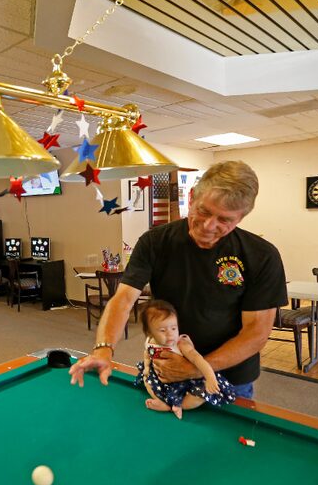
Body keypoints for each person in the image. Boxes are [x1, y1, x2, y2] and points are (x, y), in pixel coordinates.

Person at [69, 161, 287, 399]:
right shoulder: (155, 242)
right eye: (203, 211)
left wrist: (196, 368)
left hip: (228, 377)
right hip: (166, 366)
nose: (208, 225)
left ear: (241, 218)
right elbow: (123, 300)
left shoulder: (262, 255)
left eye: (224, 220)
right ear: (191, 197)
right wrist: (103, 349)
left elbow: (256, 332)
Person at [136, 300, 235, 419]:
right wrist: (147, 368)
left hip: (186, 381)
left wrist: (210, 377)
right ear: (149, 332)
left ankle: (181, 406)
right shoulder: (150, 341)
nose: (170, 334)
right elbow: (147, 354)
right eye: (162, 330)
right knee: (147, 381)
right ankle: (165, 404)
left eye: (173, 328)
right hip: (161, 378)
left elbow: (198, 359)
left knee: (200, 395)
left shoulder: (181, 343)